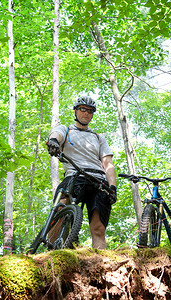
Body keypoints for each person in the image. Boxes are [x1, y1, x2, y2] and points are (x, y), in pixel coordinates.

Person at [46, 96, 116, 249]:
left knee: (98, 228)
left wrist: (112, 187)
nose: (86, 113)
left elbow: (108, 163)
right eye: (83, 109)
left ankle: (101, 264)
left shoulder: (98, 137)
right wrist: (54, 142)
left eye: (90, 111)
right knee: (60, 209)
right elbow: (56, 134)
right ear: (76, 111)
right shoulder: (66, 129)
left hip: (99, 181)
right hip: (75, 176)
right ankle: (50, 253)